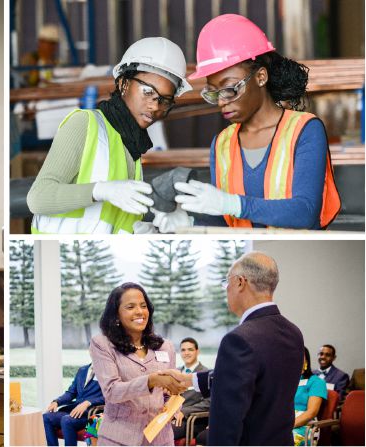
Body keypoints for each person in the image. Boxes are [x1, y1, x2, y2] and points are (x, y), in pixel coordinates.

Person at [167, 14, 340, 230]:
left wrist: (233, 203)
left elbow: (305, 212)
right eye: (214, 93)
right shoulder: (222, 143)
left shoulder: (304, 130)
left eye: (230, 89)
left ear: (261, 77)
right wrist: (191, 223)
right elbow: (229, 219)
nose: (221, 101)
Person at [27, 37, 191, 234]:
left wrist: (147, 232)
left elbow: (106, 226)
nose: (155, 106)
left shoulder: (132, 148)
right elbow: (38, 198)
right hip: (56, 253)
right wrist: (101, 190)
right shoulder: (84, 125)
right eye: (148, 92)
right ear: (123, 83)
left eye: (164, 100)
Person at [169, 251, 304, 445]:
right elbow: (256, 380)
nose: (226, 289)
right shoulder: (293, 332)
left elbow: (226, 421)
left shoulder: (239, 339)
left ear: (240, 282)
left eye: (227, 282)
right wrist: (189, 379)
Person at [89, 283, 185, 445]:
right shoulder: (102, 344)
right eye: (130, 307)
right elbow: (111, 391)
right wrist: (150, 381)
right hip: (119, 439)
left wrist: (172, 406)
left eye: (143, 306)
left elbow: (171, 392)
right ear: (116, 314)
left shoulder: (165, 346)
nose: (140, 311)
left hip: (160, 439)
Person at [42, 362, 104, 446]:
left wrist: (88, 402)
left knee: (66, 420)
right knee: (46, 417)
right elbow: (71, 393)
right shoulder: (82, 370)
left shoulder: (107, 371)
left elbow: (108, 396)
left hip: (90, 414)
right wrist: (57, 401)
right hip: (74, 411)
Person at [172, 337, 209, 442]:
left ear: (197, 351)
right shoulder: (175, 372)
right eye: (183, 350)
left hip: (191, 419)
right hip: (172, 416)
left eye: (190, 349)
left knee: (163, 433)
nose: (186, 353)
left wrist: (184, 411)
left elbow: (208, 402)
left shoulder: (205, 374)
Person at [294, 347, 328, 446]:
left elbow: (311, 412)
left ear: (306, 361)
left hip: (304, 426)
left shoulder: (317, 382)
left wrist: (285, 426)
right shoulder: (284, 381)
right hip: (281, 420)